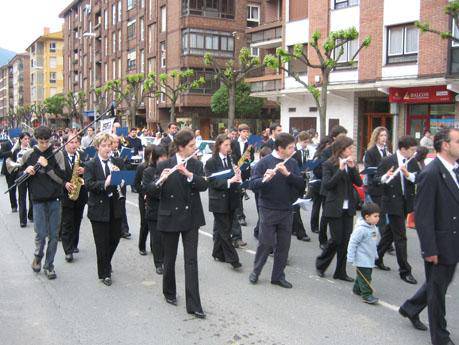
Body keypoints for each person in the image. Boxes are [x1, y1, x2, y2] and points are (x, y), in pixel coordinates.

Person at [399, 128, 459, 345]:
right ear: (445, 145)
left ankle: (410, 308)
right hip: (439, 244)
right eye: (458, 141)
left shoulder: (454, 170)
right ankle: (440, 337)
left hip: (452, 240)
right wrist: (429, 249)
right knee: (437, 293)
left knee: (439, 284)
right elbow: (423, 216)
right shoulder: (431, 173)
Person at [154, 129, 208, 319]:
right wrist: (162, 180)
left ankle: (194, 304)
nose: (195, 149)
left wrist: (189, 174)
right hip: (169, 217)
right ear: (180, 147)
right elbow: (149, 190)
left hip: (191, 217)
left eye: (195, 145)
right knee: (169, 258)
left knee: (191, 260)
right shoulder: (164, 165)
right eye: (191, 146)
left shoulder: (196, 164)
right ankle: (169, 292)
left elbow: (203, 185)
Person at [249, 133, 305, 288]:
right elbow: (252, 184)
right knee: (265, 243)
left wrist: (288, 175)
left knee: (283, 245)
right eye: (291, 147)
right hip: (268, 208)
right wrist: (265, 179)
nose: (294, 149)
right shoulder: (264, 162)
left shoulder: (292, 162)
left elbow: (301, 184)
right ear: (280, 148)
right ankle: (256, 271)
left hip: (286, 209)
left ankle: (278, 276)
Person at [21, 126, 66, 280]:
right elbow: (18, 179)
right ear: (36, 140)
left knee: (53, 235)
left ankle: (49, 265)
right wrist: (25, 171)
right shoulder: (29, 154)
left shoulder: (57, 154)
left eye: (47, 142)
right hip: (38, 200)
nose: (44, 145)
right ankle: (38, 256)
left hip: (54, 199)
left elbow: (62, 178)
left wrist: (47, 167)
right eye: (41, 142)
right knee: (40, 234)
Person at [316, 136, 362, 282]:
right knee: (336, 239)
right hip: (334, 206)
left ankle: (340, 272)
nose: (351, 151)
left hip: (348, 208)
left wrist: (353, 167)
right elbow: (328, 185)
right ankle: (321, 263)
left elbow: (359, 183)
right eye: (349, 148)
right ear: (341, 150)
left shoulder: (350, 163)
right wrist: (341, 170)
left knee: (345, 240)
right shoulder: (328, 164)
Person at [374, 135, 420, 284]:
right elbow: (376, 179)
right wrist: (384, 177)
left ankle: (376, 257)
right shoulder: (388, 160)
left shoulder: (412, 161)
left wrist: (409, 175)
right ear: (403, 149)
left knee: (389, 233)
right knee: (400, 236)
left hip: (405, 202)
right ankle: (405, 270)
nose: (414, 153)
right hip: (392, 203)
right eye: (412, 150)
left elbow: (418, 178)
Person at [84, 133, 123, 286]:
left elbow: (124, 180)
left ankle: (107, 261)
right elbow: (89, 184)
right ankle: (104, 273)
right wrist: (105, 183)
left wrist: (121, 181)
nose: (108, 148)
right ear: (97, 147)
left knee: (115, 238)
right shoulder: (90, 164)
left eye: (109, 145)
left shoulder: (117, 161)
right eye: (104, 146)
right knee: (101, 243)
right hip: (98, 208)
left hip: (115, 207)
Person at [205, 134, 243, 269]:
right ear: (219, 146)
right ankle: (233, 259)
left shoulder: (230, 158)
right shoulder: (211, 162)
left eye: (229, 145)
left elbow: (234, 177)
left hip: (231, 199)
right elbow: (211, 181)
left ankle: (217, 252)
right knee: (225, 230)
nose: (228, 148)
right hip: (218, 201)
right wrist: (228, 181)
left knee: (224, 229)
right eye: (225, 145)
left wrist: (237, 175)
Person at [60, 135, 88, 262]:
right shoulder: (60, 156)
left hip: (80, 193)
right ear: (65, 143)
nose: (73, 145)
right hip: (66, 194)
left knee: (77, 220)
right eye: (71, 142)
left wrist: (85, 170)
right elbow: (54, 173)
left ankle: (74, 244)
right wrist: (64, 183)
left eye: (76, 142)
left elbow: (91, 168)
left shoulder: (82, 155)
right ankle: (68, 250)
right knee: (67, 222)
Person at [347, 202, 381, 305]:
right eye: (375, 216)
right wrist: (350, 257)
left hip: (369, 257)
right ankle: (367, 295)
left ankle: (357, 289)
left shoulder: (373, 227)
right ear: (367, 217)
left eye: (378, 216)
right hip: (362, 258)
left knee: (362, 275)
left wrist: (375, 254)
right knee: (366, 277)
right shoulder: (361, 229)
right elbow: (352, 243)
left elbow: (373, 243)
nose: (378, 218)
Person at [142, 145, 168, 275]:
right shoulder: (148, 171)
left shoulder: (170, 169)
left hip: (167, 209)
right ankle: (158, 263)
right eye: (162, 159)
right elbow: (148, 190)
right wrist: (160, 180)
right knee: (156, 238)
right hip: (154, 209)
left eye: (166, 158)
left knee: (165, 238)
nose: (164, 161)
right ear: (156, 159)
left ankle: (165, 258)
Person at [6, 132, 33, 227]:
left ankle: (31, 215)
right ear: (21, 139)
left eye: (28, 139)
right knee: (22, 197)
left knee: (32, 196)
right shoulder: (16, 151)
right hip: (20, 174)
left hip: (31, 174)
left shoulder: (31, 150)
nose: (27, 141)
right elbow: (10, 163)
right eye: (25, 139)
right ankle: (23, 220)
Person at [230, 123, 254, 233]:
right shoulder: (233, 143)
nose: (246, 134)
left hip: (244, 172)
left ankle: (239, 215)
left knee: (241, 193)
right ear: (239, 132)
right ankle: (240, 216)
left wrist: (248, 159)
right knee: (237, 193)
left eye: (247, 132)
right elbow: (230, 155)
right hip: (235, 171)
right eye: (243, 131)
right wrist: (235, 166)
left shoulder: (250, 145)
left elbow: (252, 158)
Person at [134, 144, 154, 256]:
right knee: (145, 223)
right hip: (144, 199)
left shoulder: (157, 167)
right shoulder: (142, 167)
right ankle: (142, 246)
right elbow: (136, 183)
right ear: (147, 155)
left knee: (154, 224)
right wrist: (143, 193)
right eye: (151, 154)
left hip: (154, 198)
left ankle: (153, 246)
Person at [292, 131, 311, 242]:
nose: (306, 144)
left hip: (302, 180)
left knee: (296, 206)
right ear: (299, 140)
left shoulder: (306, 151)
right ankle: (300, 232)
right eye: (304, 142)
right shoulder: (294, 151)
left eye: (307, 142)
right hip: (295, 181)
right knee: (296, 206)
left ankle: (293, 228)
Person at [111, 135, 131, 239]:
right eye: (113, 142)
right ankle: (117, 228)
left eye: (117, 142)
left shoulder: (122, 153)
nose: (115, 145)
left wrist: (126, 160)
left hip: (122, 182)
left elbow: (128, 167)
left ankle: (124, 229)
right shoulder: (109, 155)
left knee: (122, 207)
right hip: (112, 182)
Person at [1, 139, 18, 213]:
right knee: (11, 188)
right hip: (9, 169)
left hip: (19, 168)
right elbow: (1, 155)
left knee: (21, 189)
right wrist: (12, 151)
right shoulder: (5, 144)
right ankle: (13, 206)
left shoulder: (21, 142)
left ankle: (22, 205)